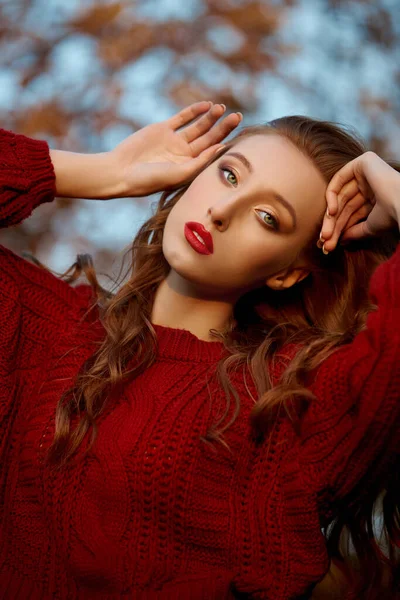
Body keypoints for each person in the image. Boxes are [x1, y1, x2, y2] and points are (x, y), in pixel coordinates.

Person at [0, 101, 399, 600]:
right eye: (229, 175)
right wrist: (106, 172)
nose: (222, 211)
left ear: (287, 273)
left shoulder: (284, 407)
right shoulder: (43, 326)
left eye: (267, 216)